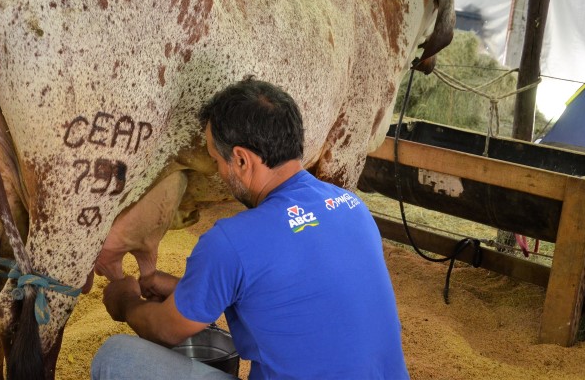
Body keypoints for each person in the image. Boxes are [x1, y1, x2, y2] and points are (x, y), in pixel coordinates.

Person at [91, 78, 409, 379]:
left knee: (115, 357)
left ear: (242, 160)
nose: (217, 171)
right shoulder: (353, 208)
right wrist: (183, 290)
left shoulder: (230, 241)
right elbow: (287, 298)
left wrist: (126, 301)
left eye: (216, 160)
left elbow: (166, 329)